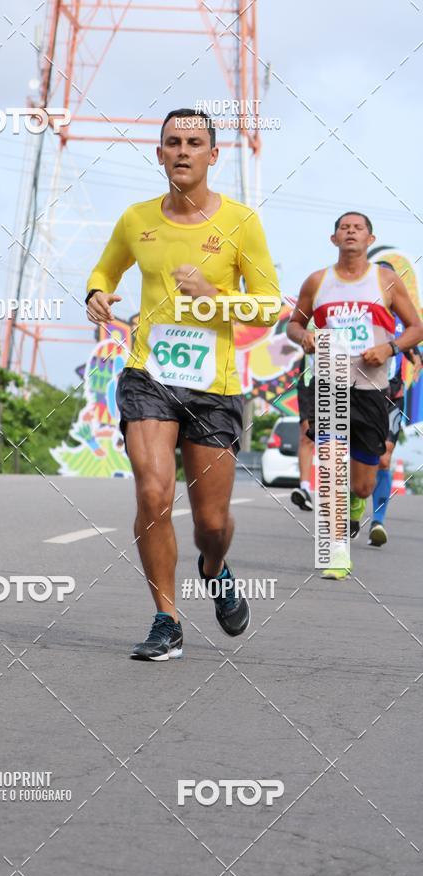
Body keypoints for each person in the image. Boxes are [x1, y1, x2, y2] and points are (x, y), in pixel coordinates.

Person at [85, 108, 281, 659]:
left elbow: (269, 307)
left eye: (195, 142)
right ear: (159, 153)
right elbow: (104, 272)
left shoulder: (242, 222)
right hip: (149, 375)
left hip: (213, 387)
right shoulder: (136, 219)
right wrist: (96, 294)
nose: (183, 151)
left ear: (213, 155)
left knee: (211, 524)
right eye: (173, 142)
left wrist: (215, 299)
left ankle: (214, 570)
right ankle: (165, 619)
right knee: (152, 493)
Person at [287, 212, 423, 580]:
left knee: (363, 480)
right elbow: (294, 323)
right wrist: (305, 337)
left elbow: (416, 328)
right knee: (330, 464)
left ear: (369, 238)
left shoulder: (386, 280)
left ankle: (358, 505)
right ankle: (336, 551)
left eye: (357, 228)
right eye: (343, 228)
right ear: (334, 240)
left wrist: (391, 348)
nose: (350, 232)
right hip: (329, 379)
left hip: (372, 386)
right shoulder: (318, 281)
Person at [367, 261, 422, 546]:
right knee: (358, 465)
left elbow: (415, 349)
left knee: (385, 459)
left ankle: (377, 522)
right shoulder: (362, 310)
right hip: (361, 395)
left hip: (392, 398)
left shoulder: (403, 316)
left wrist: (414, 365)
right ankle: (353, 509)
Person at [291, 331, 315, 512]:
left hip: (347, 378)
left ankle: (351, 497)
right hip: (310, 377)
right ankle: (305, 488)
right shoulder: (310, 303)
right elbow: (293, 327)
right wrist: (304, 335)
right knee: (307, 434)